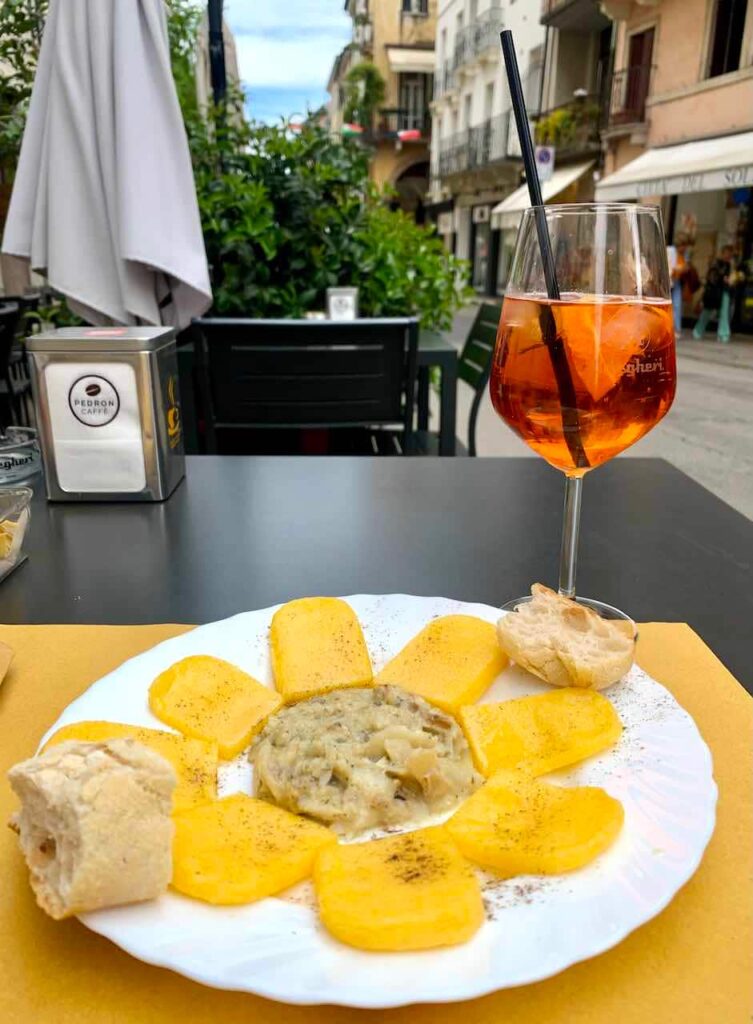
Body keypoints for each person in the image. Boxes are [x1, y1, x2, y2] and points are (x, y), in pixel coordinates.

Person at [693, 244, 735, 343]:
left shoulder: (728, 265)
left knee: (724, 313)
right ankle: (698, 331)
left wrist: (729, 280)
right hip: (714, 292)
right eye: (727, 253)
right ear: (723, 253)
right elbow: (711, 277)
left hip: (724, 291)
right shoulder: (716, 263)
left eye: (730, 254)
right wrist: (722, 278)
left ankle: (723, 334)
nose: (728, 256)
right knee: (707, 312)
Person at [667, 234, 691, 336]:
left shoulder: (685, 255)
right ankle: (669, 328)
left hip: (676, 281)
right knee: (668, 305)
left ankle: (676, 329)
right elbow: (668, 265)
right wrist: (677, 268)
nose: (684, 248)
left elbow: (686, 267)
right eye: (683, 246)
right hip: (669, 280)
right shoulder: (670, 251)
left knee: (677, 305)